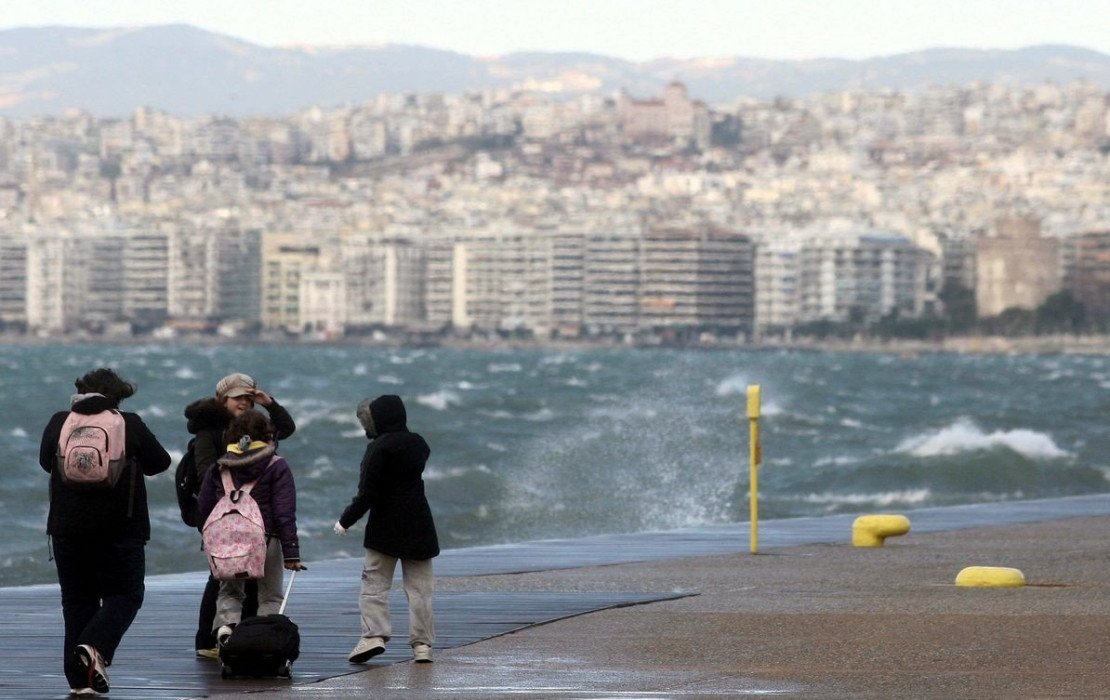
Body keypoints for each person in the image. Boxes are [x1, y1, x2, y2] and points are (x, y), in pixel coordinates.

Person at [39, 368, 171, 696]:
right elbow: (160, 462)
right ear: (118, 395)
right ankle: (95, 645)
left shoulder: (59, 421)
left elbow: (44, 462)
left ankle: (79, 682)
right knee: (126, 595)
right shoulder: (128, 423)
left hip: (67, 529)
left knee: (77, 601)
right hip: (120, 529)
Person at [184, 372, 296, 657]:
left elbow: (286, 428)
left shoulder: (259, 430)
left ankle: (241, 638)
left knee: (246, 584)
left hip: (255, 522)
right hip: (224, 520)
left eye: (249, 398)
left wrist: (269, 403)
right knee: (221, 581)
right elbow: (205, 475)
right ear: (222, 399)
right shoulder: (209, 433)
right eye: (238, 398)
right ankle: (207, 641)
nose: (245, 402)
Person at [333, 394, 439, 664]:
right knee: (420, 591)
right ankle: (422, 645)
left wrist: (345, 520)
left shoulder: (378, 448)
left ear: (378, 419)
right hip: (419, 524)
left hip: (385, 527)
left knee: (374, 585)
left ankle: (374, 636)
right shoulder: (419, 444)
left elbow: (368, 493)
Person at [196, 409, 304, 644]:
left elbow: (204, 507)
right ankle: (263, 639)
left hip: (226, 539)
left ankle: (226, 628)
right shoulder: (277, 465)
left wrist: (209, 541)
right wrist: (291, 553)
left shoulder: (220, 466)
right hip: (265, 538)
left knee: (229, 591)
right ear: (267, 435)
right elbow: (284, 512)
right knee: (270, 595)